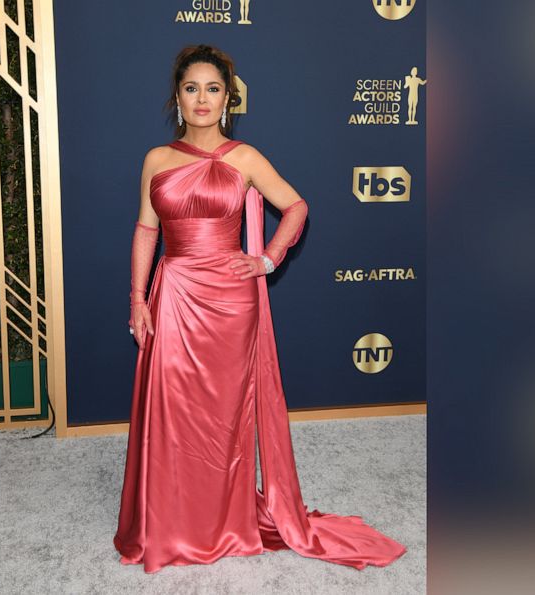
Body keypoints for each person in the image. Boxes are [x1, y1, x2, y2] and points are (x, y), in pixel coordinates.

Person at [114, 44, 407, 574]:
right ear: (177, 98)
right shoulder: (157, 160)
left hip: (230, 302)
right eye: (191, 88)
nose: (202, 99)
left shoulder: (244, 158)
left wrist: (268, 258)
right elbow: (146, 229)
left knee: (223, 420)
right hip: (175, 294)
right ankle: (171, 522)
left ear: (228, 99)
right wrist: (138, 299)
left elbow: (296, 207)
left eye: (213, 89)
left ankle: (223, 522)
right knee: (174, 413)